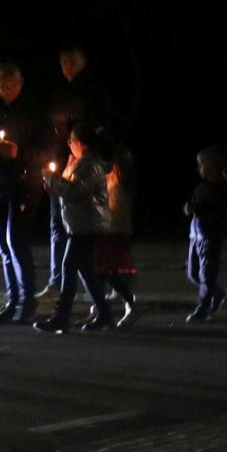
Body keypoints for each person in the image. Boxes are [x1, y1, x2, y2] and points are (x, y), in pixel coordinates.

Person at [0, 62, 47, 323]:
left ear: (21, 83)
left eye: (13, 85)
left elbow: (47, 148)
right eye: (4, 86)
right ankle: (12, 300)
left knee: (16, 240)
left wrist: (21, 154)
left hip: (25, 183)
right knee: (3, 244)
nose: (9, 90)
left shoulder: (34, 112)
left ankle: (28, 301)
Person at [39, 44, 113, 302]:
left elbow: (100, 129)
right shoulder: (60, 93)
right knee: (57, 224)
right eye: (63, 61)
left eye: (72, 60)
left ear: (82, 62)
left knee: (85, 230)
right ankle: (57, 281)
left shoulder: (94, 91)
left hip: (83, 166)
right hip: (62, 163)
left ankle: (102, 287)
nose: (67, 66)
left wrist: (92, 155)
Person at [34, 124, 113, 333]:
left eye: (72, 140)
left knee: (68, 267)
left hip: (88, 226)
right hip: (81, 225)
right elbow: (67, 190)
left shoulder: (90, 166)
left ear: (82, 144)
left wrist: (52, 178)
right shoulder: (80, 164)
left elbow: (74, 190)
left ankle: (61, 317)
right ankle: (104, 314)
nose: (68, 144)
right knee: (85, 271)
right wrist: (53, 182)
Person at [185, 145, 227, 322]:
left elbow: (217, 211)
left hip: (210, 236)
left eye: (201, 164)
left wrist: (197, 209)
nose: (199, 168)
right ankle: (217, 293)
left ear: (212, 166)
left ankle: (204, 307)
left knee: (207, 274)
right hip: (196, 235)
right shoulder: (202, 186)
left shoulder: (221, 188)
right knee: (193, 272)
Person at [98, 139, 140, 327]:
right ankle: (118, 299)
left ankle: (130, 304)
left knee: (111, 268)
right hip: (109, 227)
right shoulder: (111, 178)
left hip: (115, 228)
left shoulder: (121, 181)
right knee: (109, 268)